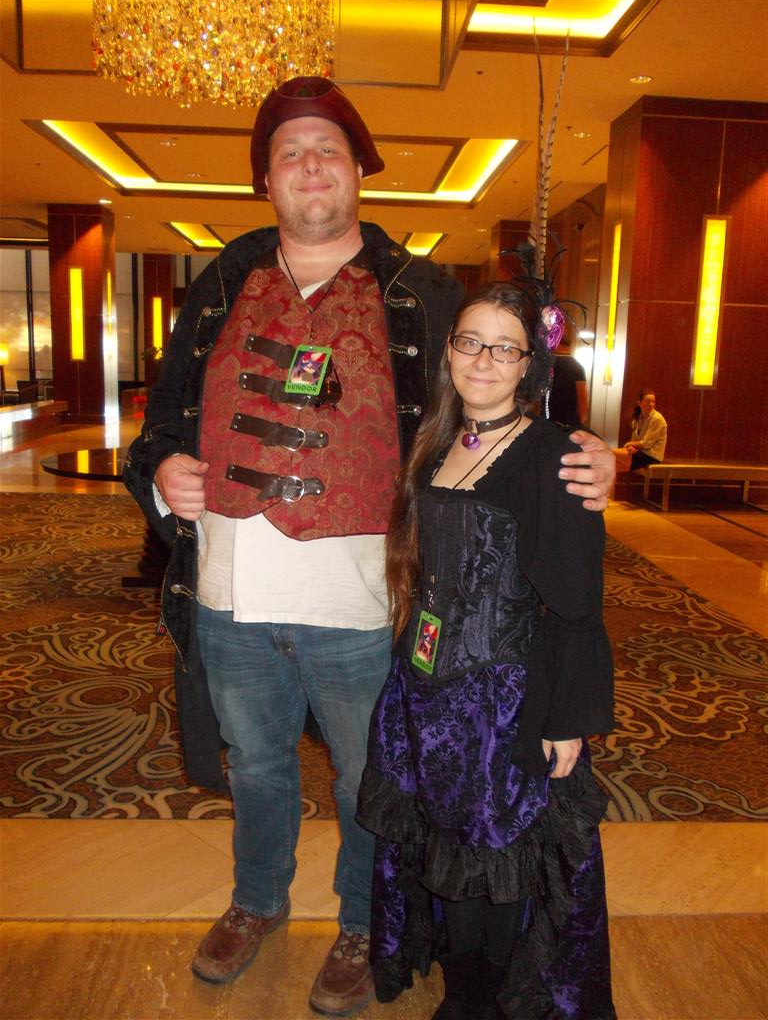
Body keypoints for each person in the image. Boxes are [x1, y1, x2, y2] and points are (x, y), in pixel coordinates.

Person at [123, 76, 617, 1018]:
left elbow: (498, 392)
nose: (310, 166)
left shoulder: (420, 293)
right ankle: (257, 899)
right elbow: (159, 427)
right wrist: (162, 473)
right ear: (266, 179)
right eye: (289, 153)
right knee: (255, 764)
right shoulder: (220, 285)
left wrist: (582, 454)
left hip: (364, 602)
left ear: (358, 172)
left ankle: (362, 920)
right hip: (228, 592)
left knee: (369, 778)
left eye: (328, 151)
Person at [357, 282, 616, 1019]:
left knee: (503, 862)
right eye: (470, 341)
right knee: (446, 855)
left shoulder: (552, 454)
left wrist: (565, 720)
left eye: (505, 349)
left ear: (530, 365)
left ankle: (494, 1001)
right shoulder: (438, 439)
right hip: (425, 693)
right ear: (449, 351)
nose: (483, 360)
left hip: (504, 704)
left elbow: (574, 598)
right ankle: (464, 991)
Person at [614, 388, 668, 472]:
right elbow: (635, 440)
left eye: (653, 401)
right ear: (639, 403)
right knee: (612, 465)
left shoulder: (657, 419)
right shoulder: (638, 418)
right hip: (640, 453)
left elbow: (647, 444)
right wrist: (632, 447)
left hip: (651, 456)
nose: (651, 404)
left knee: (610, 452)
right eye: (648, 401)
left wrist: (629, 444)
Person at [548, 331, 589, 428]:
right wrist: (581, 422)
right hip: (568, 423)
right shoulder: (577, 367)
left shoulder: (547, 365)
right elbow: (582, 397)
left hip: (547, 420)